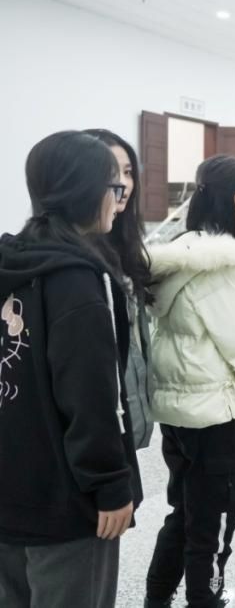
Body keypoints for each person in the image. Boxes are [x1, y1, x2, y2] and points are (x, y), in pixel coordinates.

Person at [0, 131, 142, 608]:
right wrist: (111, 484)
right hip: (67, 500)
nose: (118, 198)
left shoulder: (12, 262)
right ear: (85, 190)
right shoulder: (79, 279)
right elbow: (91, 397)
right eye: (114, 185)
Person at [144, 156, 235, 608]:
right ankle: (205, 600)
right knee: (217, 520)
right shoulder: (221, 265)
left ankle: (157, 599)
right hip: (214, 412)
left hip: (179, 409)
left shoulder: (182, 253)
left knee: (184, 512)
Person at [89, 129, 156, 451]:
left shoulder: (124, 247)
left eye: (128, 173)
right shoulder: (77, 258)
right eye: (113, 173)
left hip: (126, 417)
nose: (124, 184)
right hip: (97, 424)